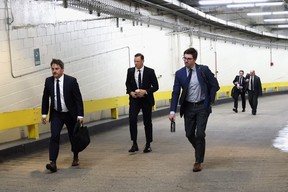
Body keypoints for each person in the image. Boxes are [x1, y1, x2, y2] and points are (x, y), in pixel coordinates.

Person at [168, 48, 219, 172]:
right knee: (189, 134)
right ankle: (199, 148)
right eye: (184, 58)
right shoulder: (179, 73)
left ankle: (198, 161)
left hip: (202, 106)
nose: (186, 61)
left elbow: (215, 85)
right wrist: (172, 111)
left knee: (200, 134)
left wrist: (210, 99)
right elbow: (175, 93)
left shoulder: (203, 70)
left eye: (189, 59)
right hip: (189, 107)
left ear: (194, 59)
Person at [41, 58, 84, 172]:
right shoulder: (48, 81)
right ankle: (53, 162)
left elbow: (78, 99)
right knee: (54, 136)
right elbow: (45, 98)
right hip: (56, 114)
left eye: (57, 69)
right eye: (52, 69)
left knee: (73, 137)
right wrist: (44, 113)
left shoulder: (71, 81)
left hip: (70, 114)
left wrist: (80, 115)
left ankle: (75, 156)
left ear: (62, 70)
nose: (54, 71)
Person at [125, 53, 159, 153]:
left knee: (147, 122)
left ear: (142, 61)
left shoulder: (150, 71)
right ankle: (134, 143)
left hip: (146, 100)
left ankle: (148, 143)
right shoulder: (130, 71)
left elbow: (156, 86)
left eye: (138, 61)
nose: (136, 63)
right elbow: (127, 83)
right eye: (134, 61)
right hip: (135, 99)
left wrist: (146, 91)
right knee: (132, 120)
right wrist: (130, 92)